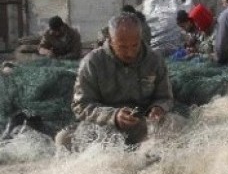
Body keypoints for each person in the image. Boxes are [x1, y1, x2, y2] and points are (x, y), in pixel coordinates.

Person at [55, 12, 173, 149]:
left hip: (144, 125)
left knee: (176, 125)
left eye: (135, 45)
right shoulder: (92, 62)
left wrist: (158, 108)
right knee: (64, 139)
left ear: (140, 38)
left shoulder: (154, 60)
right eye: (122, 47)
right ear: (110, 40)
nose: (130, 53)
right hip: (104, 127)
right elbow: (81, 106)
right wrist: (114, 116)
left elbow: (165, 97)